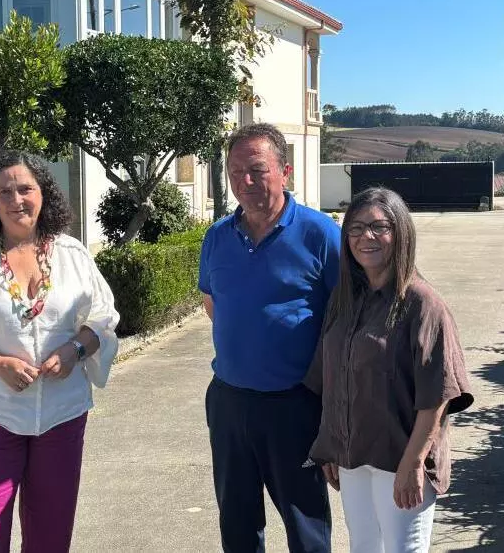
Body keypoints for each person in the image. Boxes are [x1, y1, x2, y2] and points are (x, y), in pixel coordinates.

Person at [0, 151, 119, 553]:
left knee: (52, 533)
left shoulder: (72, 255)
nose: (17, 200)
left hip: (62, 414)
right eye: (5, 192)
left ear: (43, 194)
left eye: (26, 189)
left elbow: (103, 318)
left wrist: (76, 349)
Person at [199, 122, 342, 552]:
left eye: (257, 170)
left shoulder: (321, 234)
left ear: (285, 171)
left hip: (294, 406)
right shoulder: (217, 237)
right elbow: (212, 303)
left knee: (306, 526)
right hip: (229, 402)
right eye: (235, 171)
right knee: (237, 522)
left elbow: (346, 319)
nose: (245, 181)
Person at [308, 187, 473, 553]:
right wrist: (329, 444)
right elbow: (331, 377)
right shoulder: (344, 300)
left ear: (401, 234)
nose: (365, 237)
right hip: (353, 456)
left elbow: (437, 397)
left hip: (400, 457)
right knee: (364, 547)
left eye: (379, 227)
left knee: (404, 549)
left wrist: (413, 463)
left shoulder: (423, 305)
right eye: (355, 228)